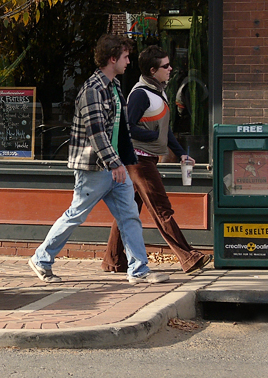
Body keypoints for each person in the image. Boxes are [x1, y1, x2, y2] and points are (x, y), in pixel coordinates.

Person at [28, 34, 169, 285]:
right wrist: (115, 163)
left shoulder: (114, 87)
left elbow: (121, 129)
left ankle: (138, 270)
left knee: (129, 217)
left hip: (115, 168)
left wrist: (125, 162)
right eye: (125, 57)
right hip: (94, 168)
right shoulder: (93, 90)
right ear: (112, 58)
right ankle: (41, 259)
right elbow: (97, 133)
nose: (128, 62)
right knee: (76, 215)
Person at [101, 45, 212, 274]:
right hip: (139, 160)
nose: (171, 69)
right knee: (162, 209)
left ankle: (113, 260)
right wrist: (152, 136)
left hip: (145, 160)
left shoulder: (157, 92)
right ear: (153, 70)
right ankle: (187, 256)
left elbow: (165, 130)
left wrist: (180, 152)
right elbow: (127, 127)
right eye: (166, 66)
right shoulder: (141, 94)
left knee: (128, 211)